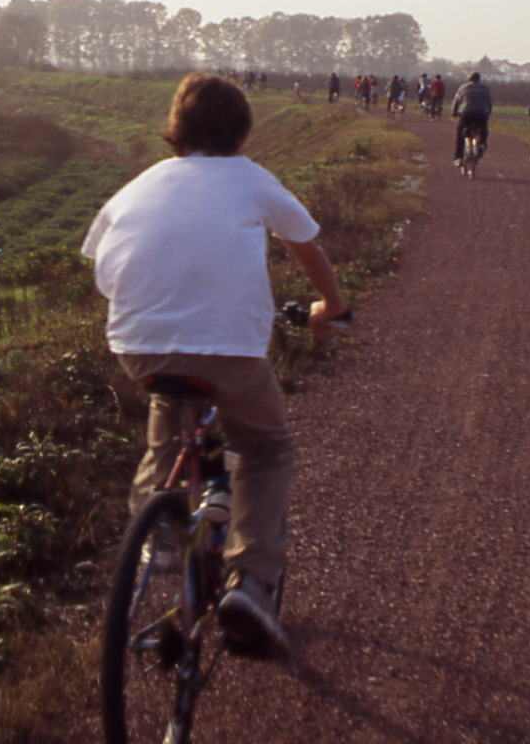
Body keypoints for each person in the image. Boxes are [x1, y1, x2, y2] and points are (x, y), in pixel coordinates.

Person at [81, 73, 349, 655]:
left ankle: (162, 532)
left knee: (168, 401)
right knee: (264, 447)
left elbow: (100, 262)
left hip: (138, 343)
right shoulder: (251, 179)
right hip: (231, 349)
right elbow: (306, 244)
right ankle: (250, 583)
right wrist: (331, 304)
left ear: (176, 129)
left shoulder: (138, 186)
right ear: (242, 132)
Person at [450, 71, 493, 163]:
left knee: (460, 133)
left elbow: (456, 101)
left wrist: (453, 112)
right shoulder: (485, 88)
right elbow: (489, 102)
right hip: (481, 113)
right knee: (484, 128)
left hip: (466, 113)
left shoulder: (463, 87)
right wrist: (488, 113)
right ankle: (482, 144)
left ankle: (458, 157)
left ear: (469, 79)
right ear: (479, 79)